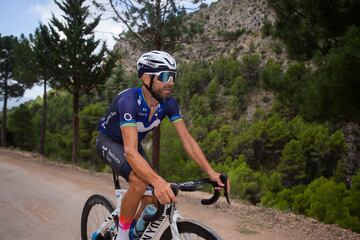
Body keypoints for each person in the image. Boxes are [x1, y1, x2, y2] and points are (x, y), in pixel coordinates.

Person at [96, 50, 229, 240]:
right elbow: (130, 151)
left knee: (154, 199)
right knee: (140, 181)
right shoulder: (129, 101)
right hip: (109, 142)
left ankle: (135, 230)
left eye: (173, 76)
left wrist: (211, 172)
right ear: (145, 77)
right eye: (165, 76)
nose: (171, 82)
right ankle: (123, 235)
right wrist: (157, 182)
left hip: (133, 144)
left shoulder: (168, 103)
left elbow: (187, 140)